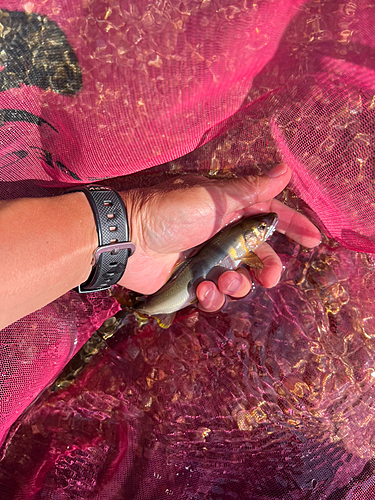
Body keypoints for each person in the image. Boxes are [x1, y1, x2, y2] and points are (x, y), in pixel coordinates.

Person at [0, 162, 321, 330]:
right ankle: (139, 311)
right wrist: (133, 223)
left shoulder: (242, 242)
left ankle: (137, 310)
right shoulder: (246, 247)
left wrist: (135, 225)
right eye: (264, 228)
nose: (269, 229)